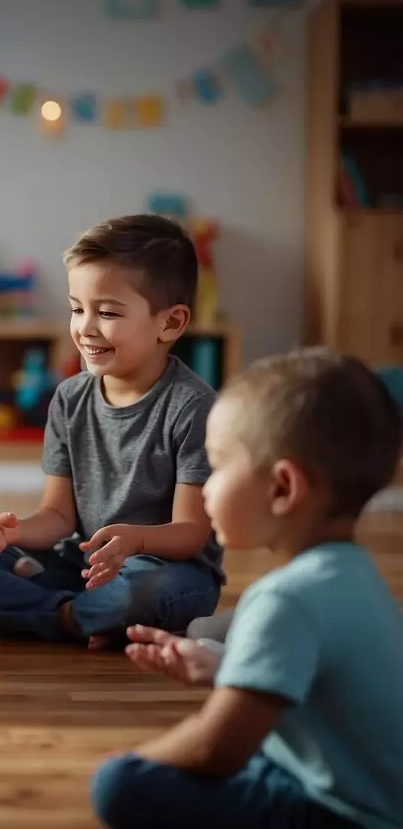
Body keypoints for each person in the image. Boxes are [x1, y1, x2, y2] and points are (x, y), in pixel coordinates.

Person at [91, 347, 403, 829]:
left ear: (283, 489)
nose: (205, 488)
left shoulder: (284, 599)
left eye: (217, 467)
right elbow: (318, 684)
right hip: (378, 796)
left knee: (120, 784)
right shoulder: (355, 575)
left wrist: (135, 757)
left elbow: (215, 748)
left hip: (342, 814)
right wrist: (224, 668)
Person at [0, 214, 223, 646]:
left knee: (146, 590)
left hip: (164, 568)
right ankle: (74, 616)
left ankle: (61, 611)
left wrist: (135, 540)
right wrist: (8, 533)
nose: (85, 327)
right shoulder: (69, 398)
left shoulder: (192, 407)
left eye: (107, 312)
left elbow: (191, 532)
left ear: (171, 323)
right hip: (81, 564)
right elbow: (59, 517)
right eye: (77, 308)